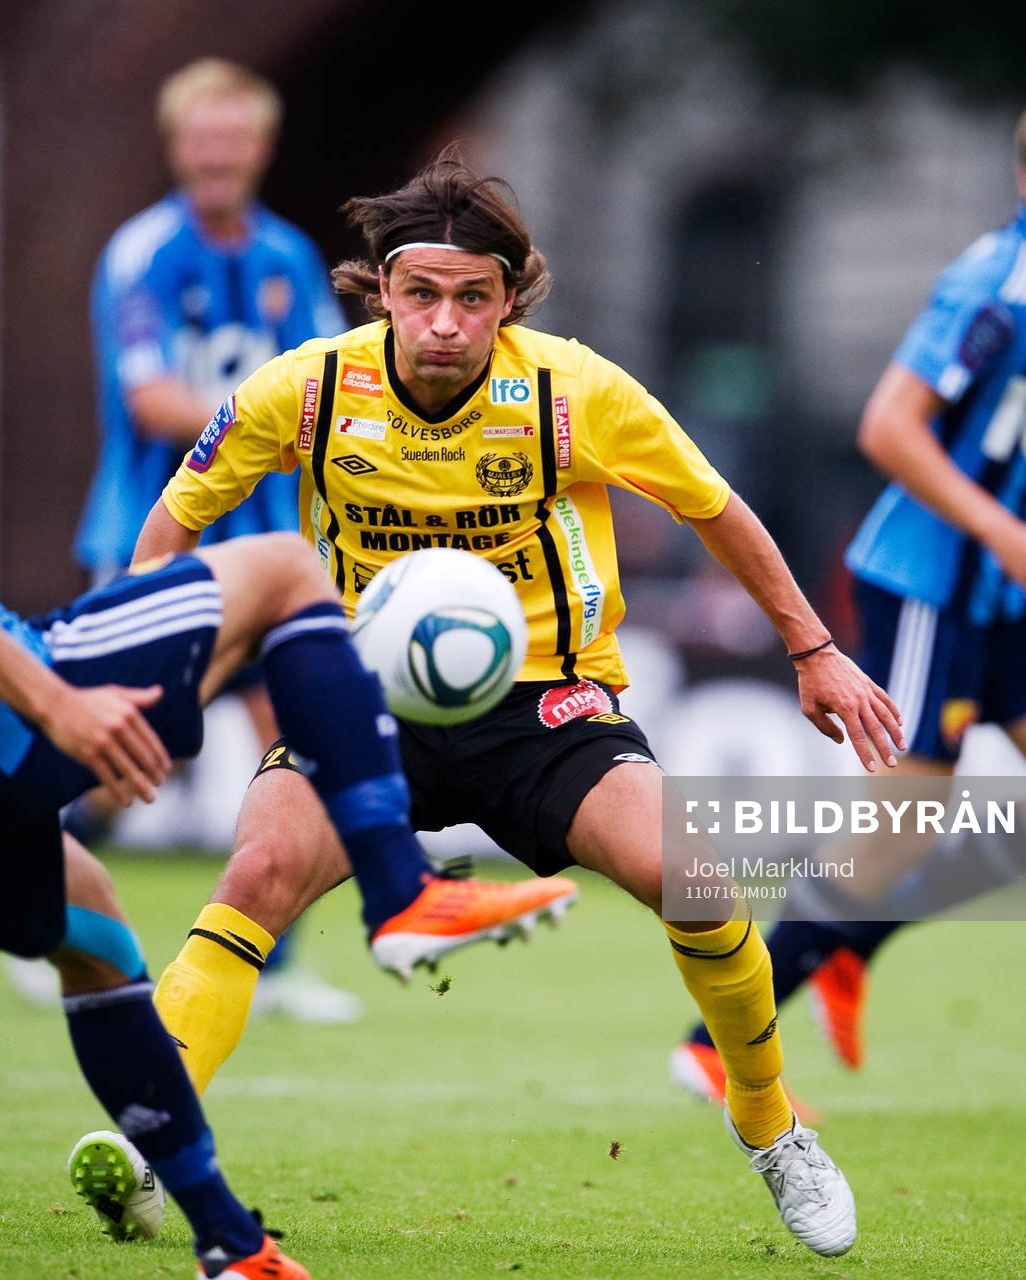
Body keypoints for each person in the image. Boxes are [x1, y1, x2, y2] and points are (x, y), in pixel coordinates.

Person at [0, 92, 571, 1280]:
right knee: (284, 576)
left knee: (102, 937)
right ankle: (398, 889)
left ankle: (232, 1244)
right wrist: (54, 700)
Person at [124, 148, 906, 1260]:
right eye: (423, 294)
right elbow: (173, 520)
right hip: (361, 706)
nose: (446, 321)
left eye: (473, 297)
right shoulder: (303, 389)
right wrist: (144, 670)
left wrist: (812, 645)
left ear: (508, 298)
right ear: (382, 291)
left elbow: (713, 505)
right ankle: (160, 1143)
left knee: (698, 879)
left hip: (546, 708)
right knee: (253, 875)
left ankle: (766, 1117)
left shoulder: (569, 390)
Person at [671, 82, 1026, 1101]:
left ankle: (856, 937)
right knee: (903, 822)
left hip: (1011, 579)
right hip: (930, 577)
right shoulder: (994, 283)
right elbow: (889, 426)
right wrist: (1009, 531)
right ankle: (718, 1038)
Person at [68, 58, 358, 1024]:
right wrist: (269, 428)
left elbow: (333, 393)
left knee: (297, 736)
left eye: (236, 136)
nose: (219, 153)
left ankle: (273, 966)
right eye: (203, 136)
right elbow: (150, 400)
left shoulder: (287, 261)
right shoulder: (142, 253)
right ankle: (46, 914)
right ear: (176, 145)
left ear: (261, 148)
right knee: (122, 750)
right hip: (159, 532)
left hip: (271, 548)